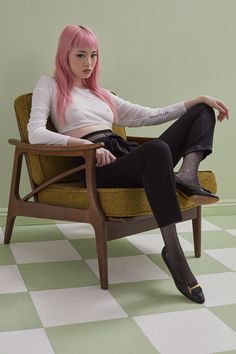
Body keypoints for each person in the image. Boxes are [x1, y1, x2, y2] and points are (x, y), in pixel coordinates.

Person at [28, 24, 229, 304]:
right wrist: (86, 146)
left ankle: (187, 174)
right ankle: (174, 252)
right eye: (81, 55)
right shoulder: (49, 85)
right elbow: (35, 132)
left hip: (123, 154)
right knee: (156, 148)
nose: (89, 63)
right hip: (95, 165)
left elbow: (149, 116)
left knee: (202, 112)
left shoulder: (100, 93)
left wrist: (196, 99)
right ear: (65, 55)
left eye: (94, 55)